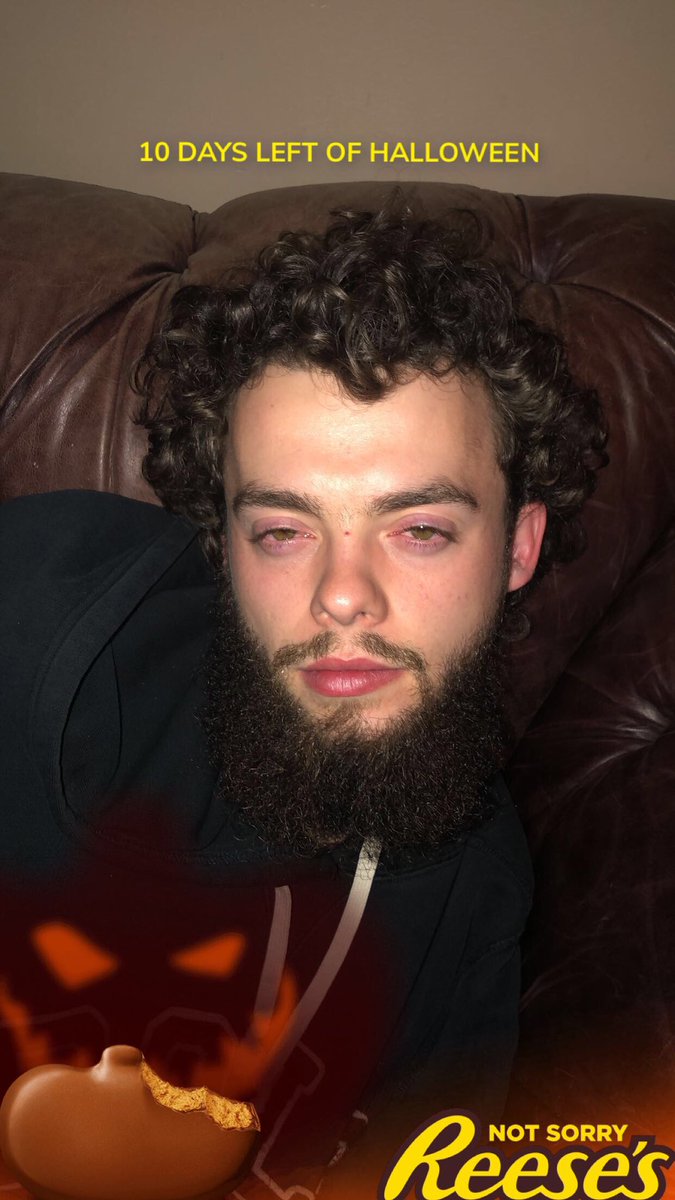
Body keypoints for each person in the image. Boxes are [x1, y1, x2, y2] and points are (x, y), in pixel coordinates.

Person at [0, 202, 606, 1198]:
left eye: (419, 529)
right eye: (283, 531)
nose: (341, 595)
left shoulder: (477, 890)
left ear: (518, 548)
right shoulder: (37, 623)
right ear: (223, 541)